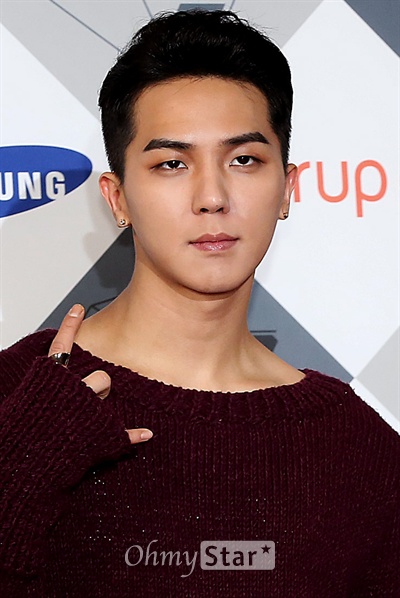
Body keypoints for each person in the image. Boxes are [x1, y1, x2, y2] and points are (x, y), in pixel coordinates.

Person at [0, 9, 398, 597]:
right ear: (118, 198)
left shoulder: (358, 449)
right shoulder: (17, 394)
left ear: (287, 188)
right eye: (171, 164)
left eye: (244, 160)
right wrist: (18, 471)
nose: (212, 196)